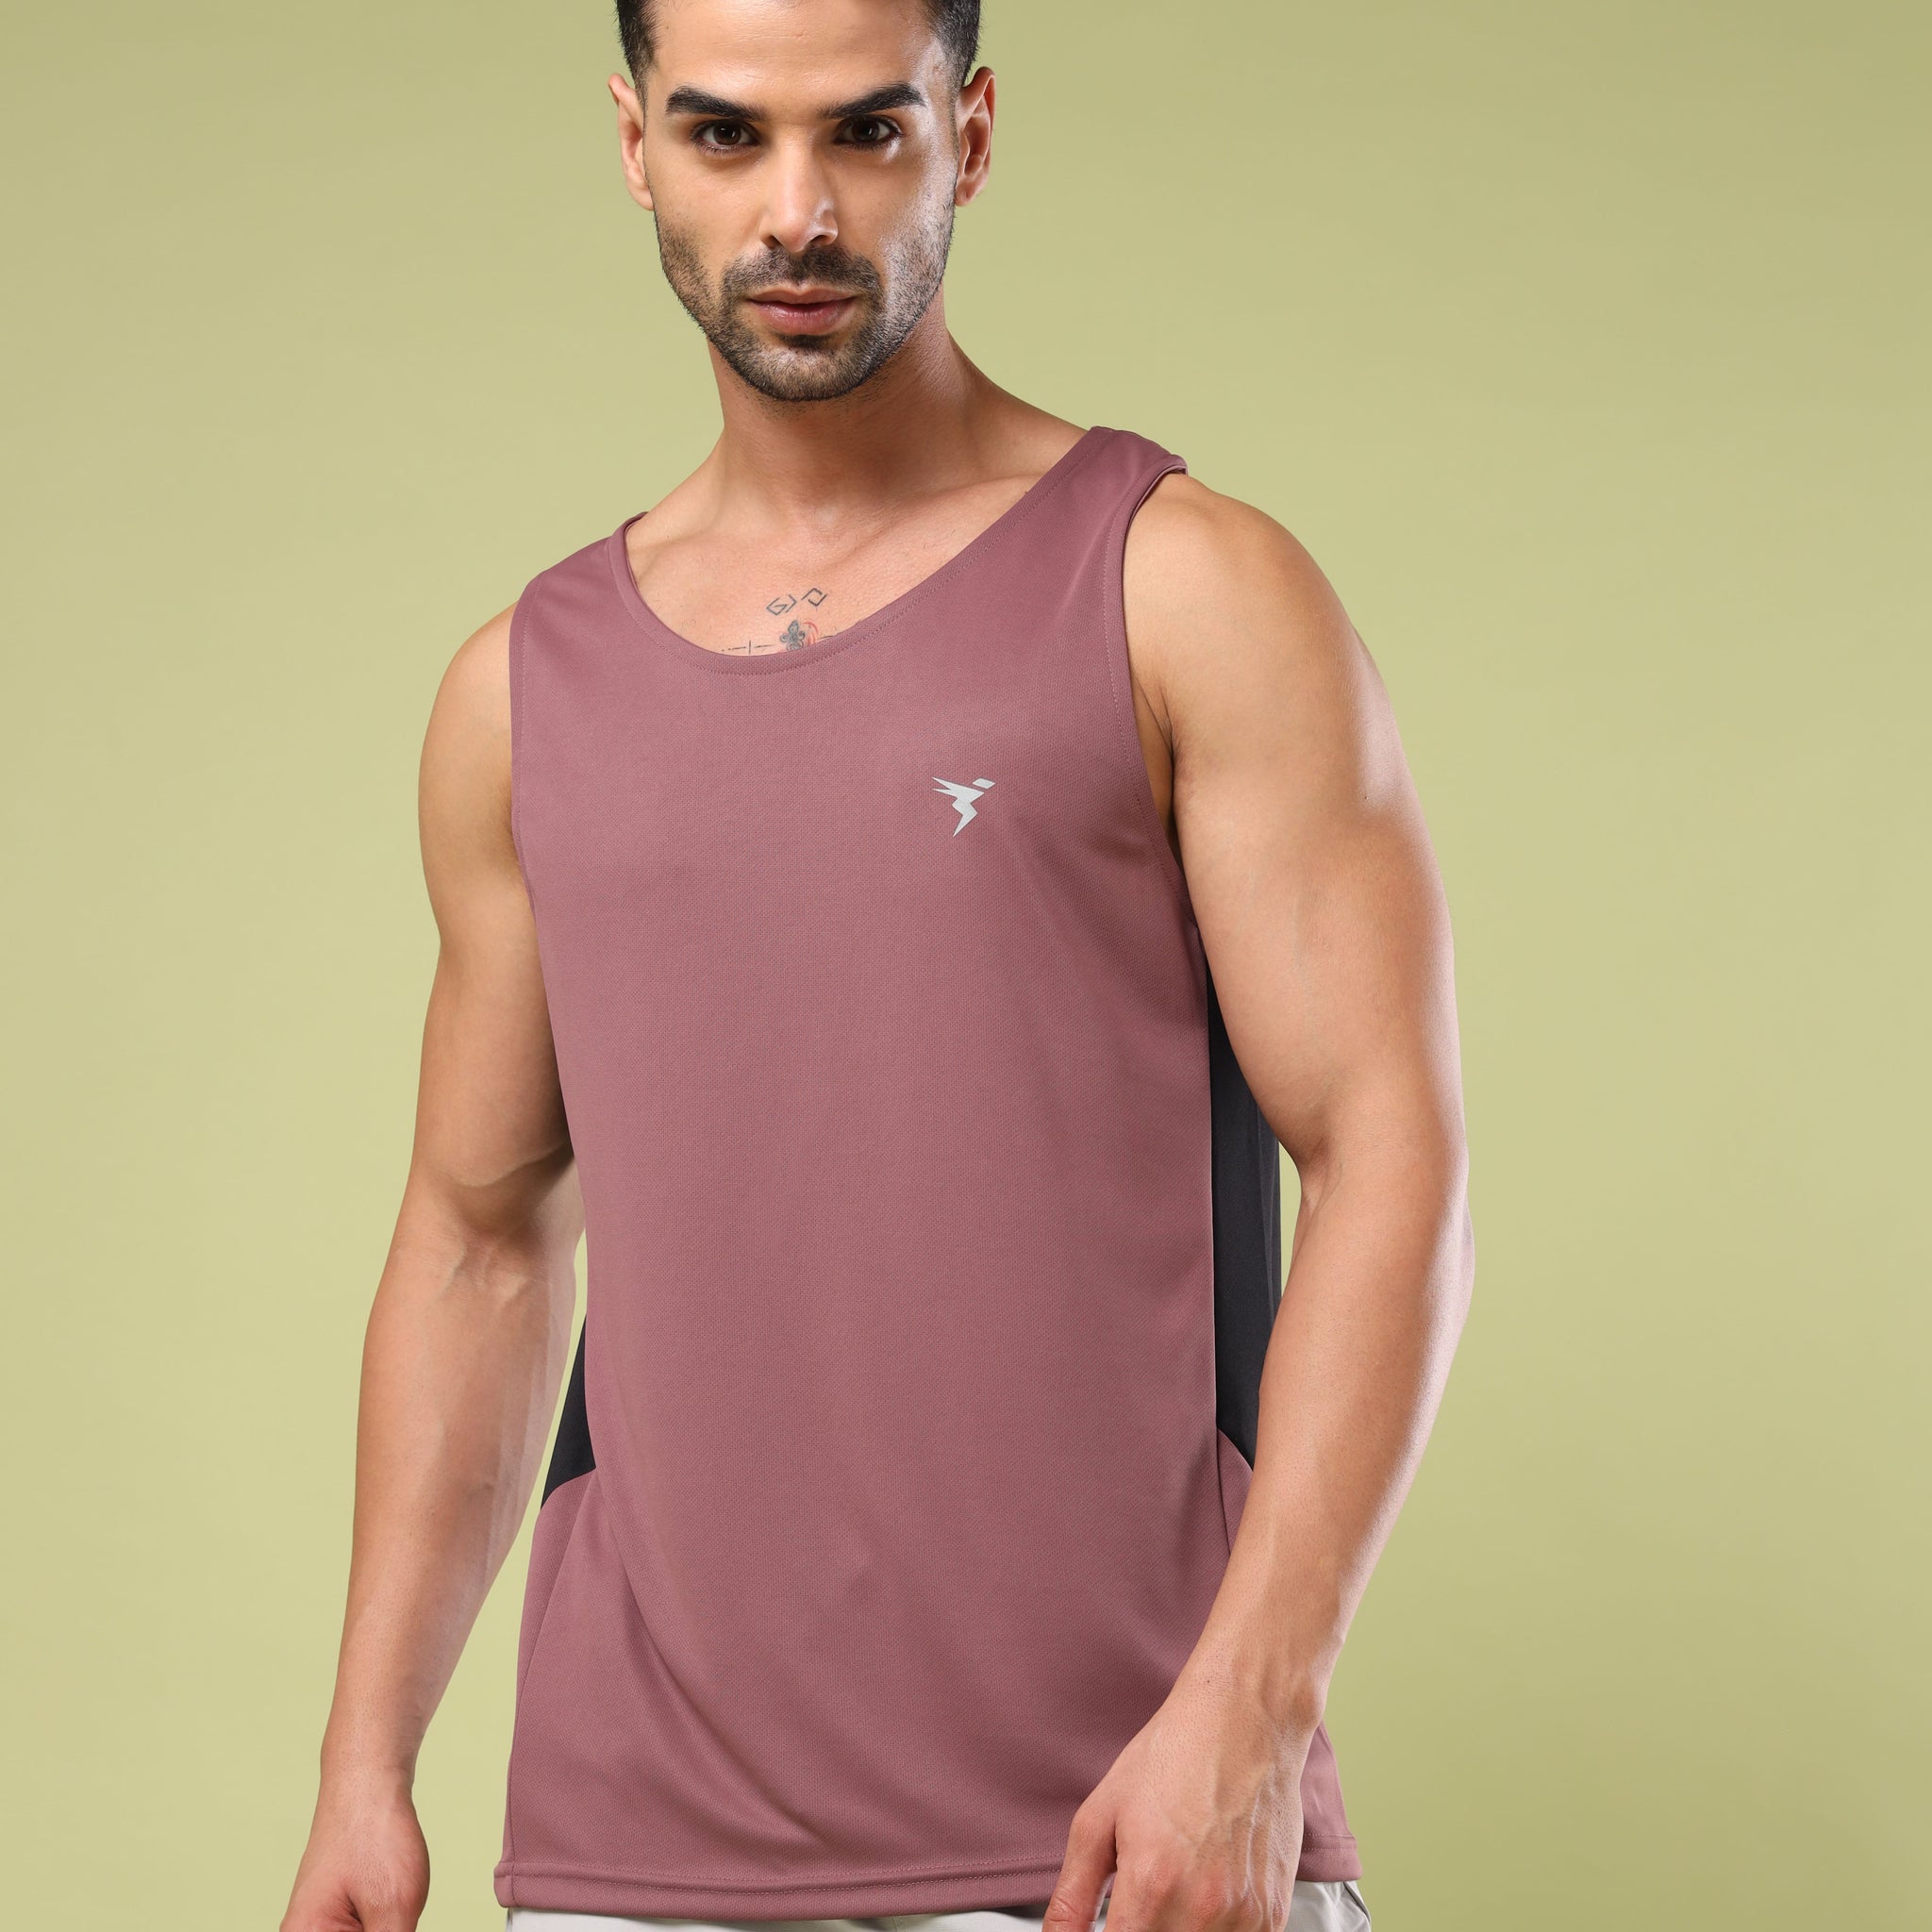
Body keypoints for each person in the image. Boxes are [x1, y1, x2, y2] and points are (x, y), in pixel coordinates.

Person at [278, 4, 1474, 1932]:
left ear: (968, 133)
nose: (798, 212)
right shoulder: (521, 693)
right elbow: (477, 1241)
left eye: (865, 133)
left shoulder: (1182, 584)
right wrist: (363, 1764)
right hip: (631, 1854)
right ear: (636, 147)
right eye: (726, 137)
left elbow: (1390, 1163)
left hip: (1118, 1835)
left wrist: (1252, 1716)